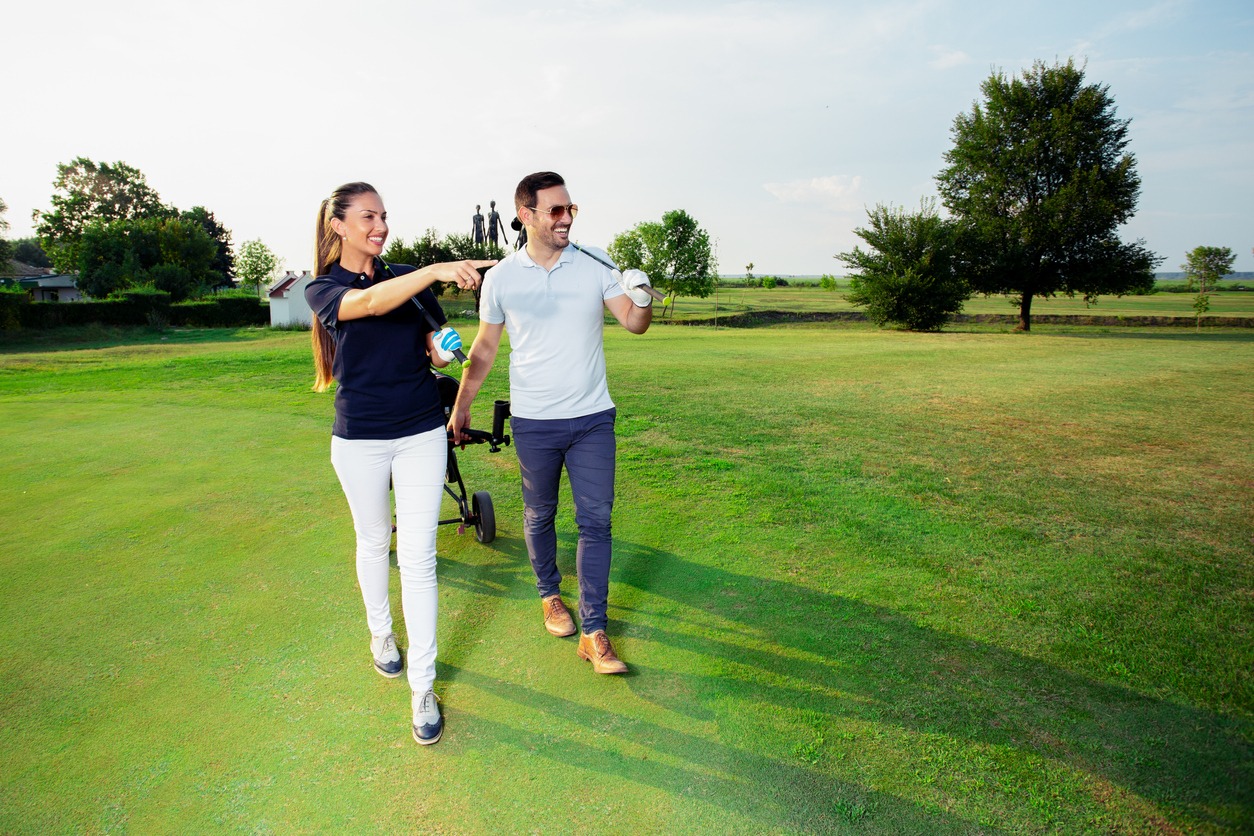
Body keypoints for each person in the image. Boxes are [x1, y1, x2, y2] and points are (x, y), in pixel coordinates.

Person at [305, 181, 494, 744]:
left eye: (384, 215)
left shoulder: (408, 282)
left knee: (419, 558)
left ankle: (423, 688)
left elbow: (437, 345)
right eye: (368, 216)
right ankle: (381, 634)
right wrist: (435, 269)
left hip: (419, 432)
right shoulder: (324, 287)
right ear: (338, 224)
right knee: (371, 542)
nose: (380, 225)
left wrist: (442, 349)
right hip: (359, 438)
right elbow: (365, 305)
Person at [448, 171, 655, 674]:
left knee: (596, 522)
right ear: (527, 215)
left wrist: (643, 295)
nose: (566, 219)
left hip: (591, 419)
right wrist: (462, 405)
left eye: (571, 210)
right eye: (556, 211)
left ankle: (595, 631)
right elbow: (486, 347)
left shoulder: (595, 263)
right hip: (535, 420)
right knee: (539, 515)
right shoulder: (501, 277)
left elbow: (633, 322)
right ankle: (548, 596)